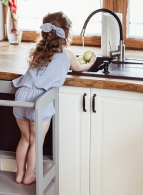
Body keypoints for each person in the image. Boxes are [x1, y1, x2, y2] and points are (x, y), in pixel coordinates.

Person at [13, 11, 96, 185]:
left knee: (25, 139)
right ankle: (30, 176)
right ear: (66, 34)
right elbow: (79, 68)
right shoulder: (68, 55)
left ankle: (20, 174)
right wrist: (91, 62)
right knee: (36, 142)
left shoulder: (37, 51)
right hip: (40, 101)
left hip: (21, 96)